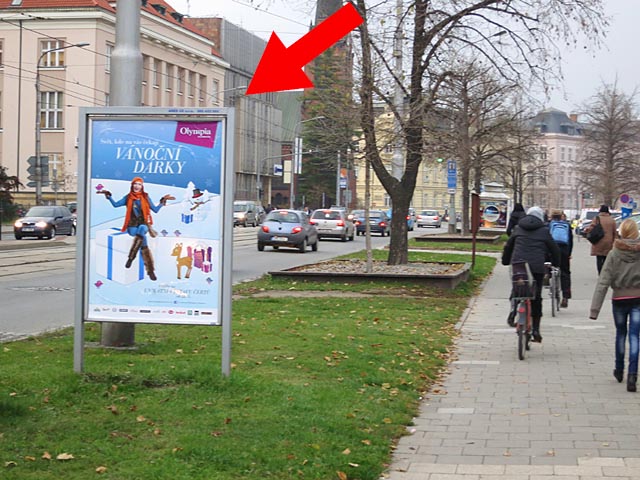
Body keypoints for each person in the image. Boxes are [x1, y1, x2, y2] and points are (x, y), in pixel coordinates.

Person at [590, 219, 640, 392]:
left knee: (621, 333)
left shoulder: (614, 253)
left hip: (619, 299)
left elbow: (603, 281)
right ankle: (633, 375)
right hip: (638, 299)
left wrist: (594, 309)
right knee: (635, 336)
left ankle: (619, 369)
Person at [502, 206, 561, 342]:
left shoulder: (517, 228)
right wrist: (556, 263)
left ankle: (513, 311)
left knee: (518, 288)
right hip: (536, 268)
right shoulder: (544, 231)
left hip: (518, 265)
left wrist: (506, 261)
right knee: (536, 296)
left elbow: (508, 246)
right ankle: (535, 329)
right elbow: (555, 250)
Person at [97, 177, 173, 281]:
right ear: (132, 185)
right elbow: (115, 205)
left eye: (139, 184)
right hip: (132, 226)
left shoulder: (145, 197)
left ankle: (131, 258)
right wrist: (109, 196)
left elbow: (155, 210)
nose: (137, 186)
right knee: (143, 239)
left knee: (142, 228)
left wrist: (162, 201)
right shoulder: (128, 197)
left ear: (142, 186)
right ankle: (150, 270)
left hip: (144, 224)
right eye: (135, 184)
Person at [548, 209, 573, 308]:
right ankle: (566, 297)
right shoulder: (567, 225)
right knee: (565, 273)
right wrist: (569, 253)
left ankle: (547, 275)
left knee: (549, 264)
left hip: (552, 249)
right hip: (564, 250)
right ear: (561, 216)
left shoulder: (549, 225)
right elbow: (570, 241)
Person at [585, 204, 618, 274]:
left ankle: (600, 273)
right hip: (609, 242)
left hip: (598, 241)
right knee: (606, 258)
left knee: (599, 258)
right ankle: (606, 272)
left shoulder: (597, 218)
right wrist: (615, 241)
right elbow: (615, 232)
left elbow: (591, 227)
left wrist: (587, 230)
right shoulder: (612, 220)